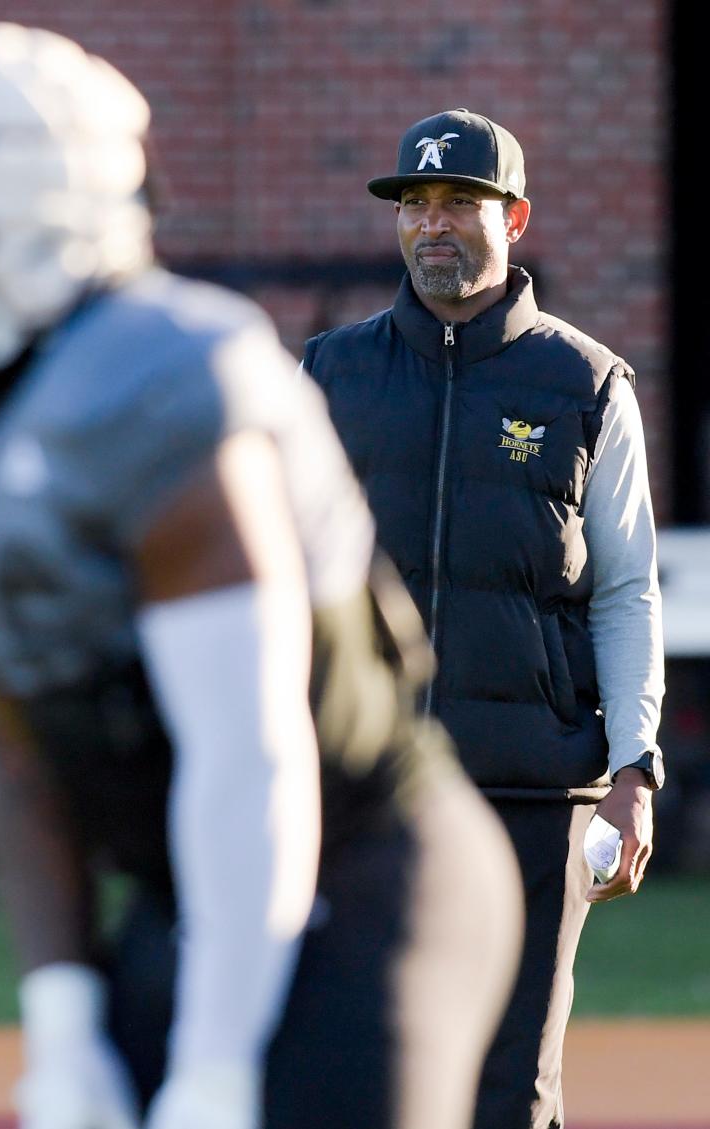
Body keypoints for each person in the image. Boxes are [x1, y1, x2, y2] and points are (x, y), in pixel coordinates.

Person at [0, 37, 523, 1129]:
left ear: (20, 244)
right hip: (194, 893)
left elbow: (251, 753)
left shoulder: (166, 381)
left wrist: (217, 1063)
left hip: (368, 858)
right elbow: (13, 725)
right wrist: (62, 1020)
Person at [302, 107, 665, 1129]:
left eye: (460, 201)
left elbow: (628, 587)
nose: (433, 224)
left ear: (515, 217)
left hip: (533, 788)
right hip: (367, 789)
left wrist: (633, 769)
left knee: (513, 1088)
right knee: (362, 1071)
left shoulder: (587, 384)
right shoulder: (329, 375)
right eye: (414, 203)